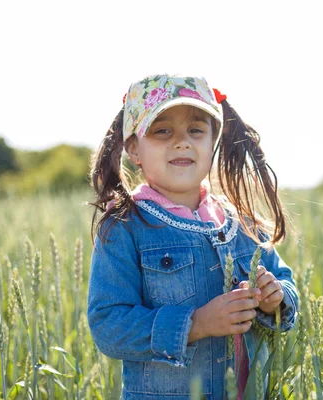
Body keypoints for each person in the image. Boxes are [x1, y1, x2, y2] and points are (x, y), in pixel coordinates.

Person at [87, 74, 298, 399]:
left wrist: (276, 299)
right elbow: (108, 325)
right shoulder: (125, 226)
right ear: (133, 148)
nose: (182, 142)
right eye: (162, 131)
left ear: (213, 140)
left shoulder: (240, 222)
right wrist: (196, 323)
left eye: (196, 130)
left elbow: (285, 278)